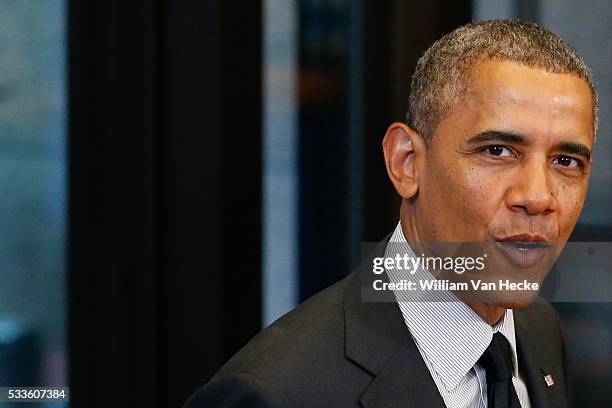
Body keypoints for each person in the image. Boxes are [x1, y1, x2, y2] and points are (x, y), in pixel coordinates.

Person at [185, 19, 597, 407]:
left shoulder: (538, 331)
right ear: (406, 163)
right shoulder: (276, 393)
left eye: (566, 161)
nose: (539, 197)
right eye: (497, 151)